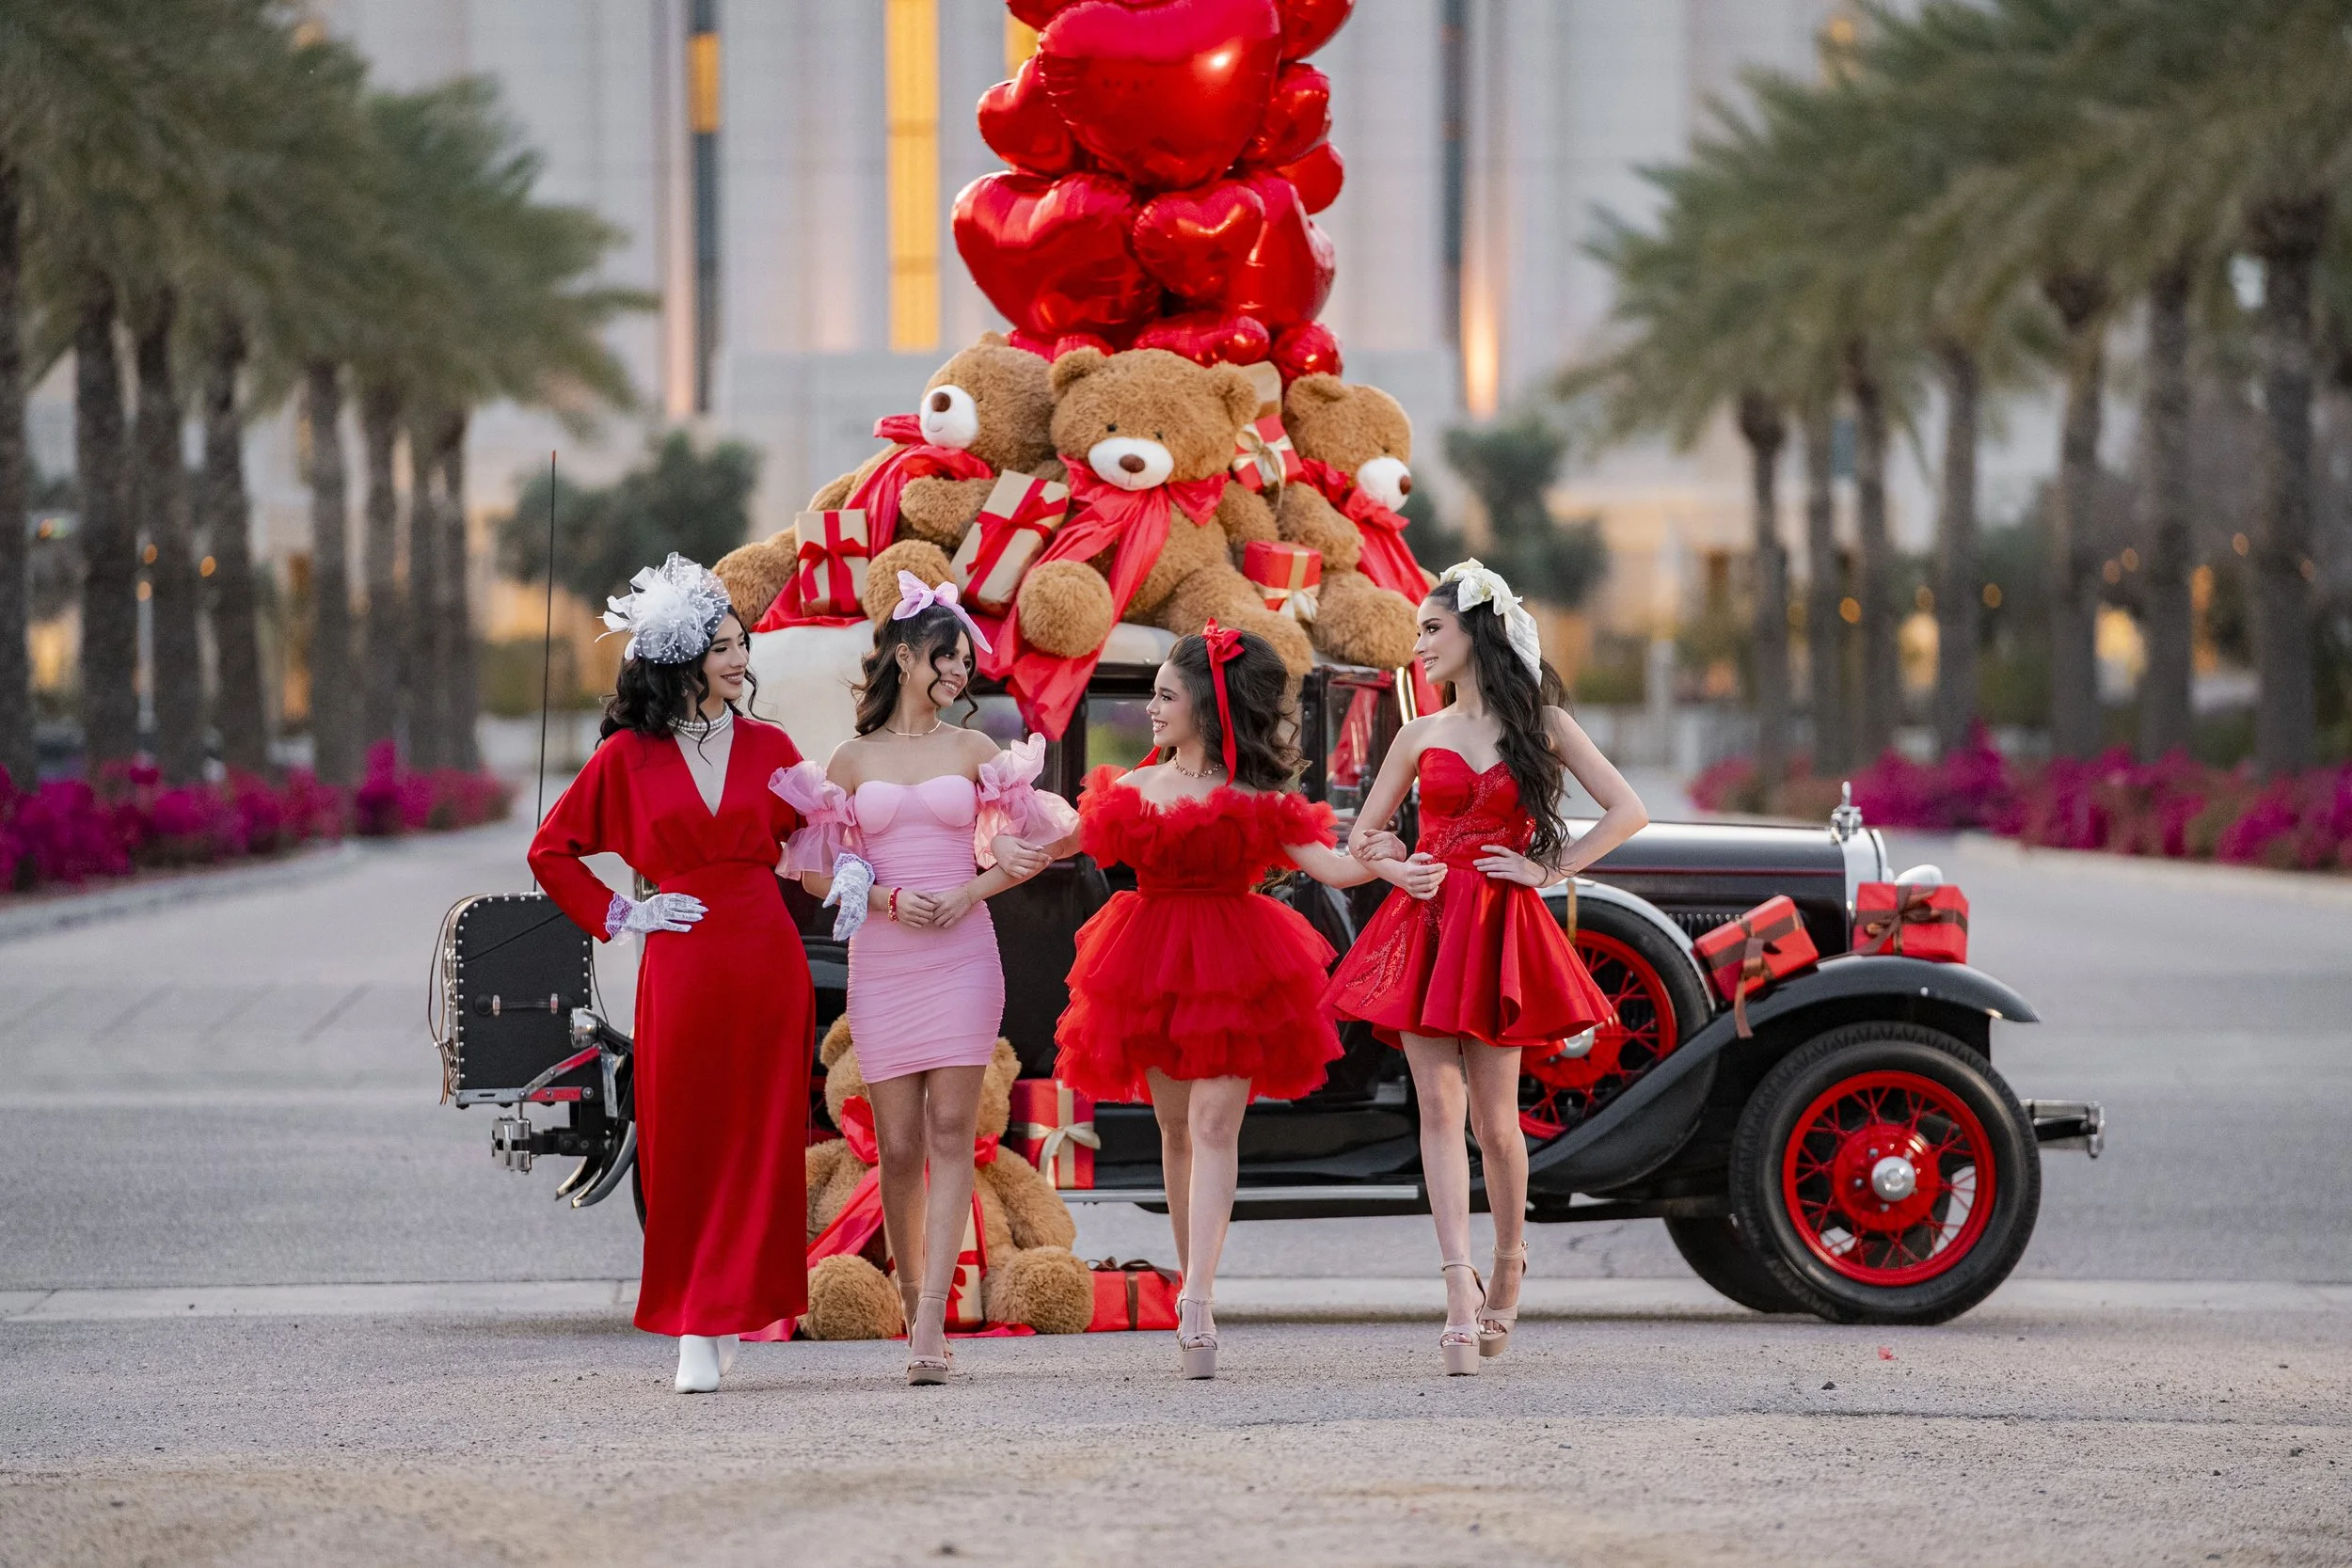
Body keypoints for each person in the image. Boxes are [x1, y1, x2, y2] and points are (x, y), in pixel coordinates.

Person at [1048, 624, 1444, 1379]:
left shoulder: (1258, 796)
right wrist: (997, 845)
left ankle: (1197, 1300)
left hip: (1238, 966)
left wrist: (1389, 863)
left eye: (1165, 694)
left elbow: (1331, 867)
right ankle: (1191, 1278)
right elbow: (1061, 841)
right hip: (1148, 965)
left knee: (1211, 1120)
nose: (1153, 708)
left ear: (1205, 700)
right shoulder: (1133, 787)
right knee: (1173, 1126)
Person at [1326, 560, 1648, 1375]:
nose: (1420, 644)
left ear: (1478, 631)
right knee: (1436, 1106)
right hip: (1426, 925)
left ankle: (1509, 1262)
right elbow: (1365, 839)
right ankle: (1458, 1297)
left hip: (1500, 922)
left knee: (1494, 1123)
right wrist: (1399, 869)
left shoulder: (1539, 720)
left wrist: (1549, 870)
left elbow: (1627, 809)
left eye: (1432, 628)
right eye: (1418, 632)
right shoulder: (1417, 733)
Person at [772, 572, 1073, 1385]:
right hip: (883, 952)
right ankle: (912, 1303)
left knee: (952, 1139)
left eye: (966, 663)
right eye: (947, 658)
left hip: (964, 954)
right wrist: (886, 895)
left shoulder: (978, 751)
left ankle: (931, 1327)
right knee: (897, 1147)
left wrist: (975, 884)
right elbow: (812, 872)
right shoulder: (850, 757)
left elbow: (1041, 843)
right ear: (905, 657)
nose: (959, 673)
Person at [528, 554, 816, 1394]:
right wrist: (625, 913)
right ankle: (693, 1314)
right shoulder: (627, 757)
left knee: (760, 1143)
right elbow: (551, 850)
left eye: (742, 644)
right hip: (682, 963)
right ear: (679, 657)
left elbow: (817, 839)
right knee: (685, 1139)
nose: (740, 660)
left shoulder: (773, 746)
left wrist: (858, 869)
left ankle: (729, 1308)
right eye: (722, 646)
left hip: (768, 963)